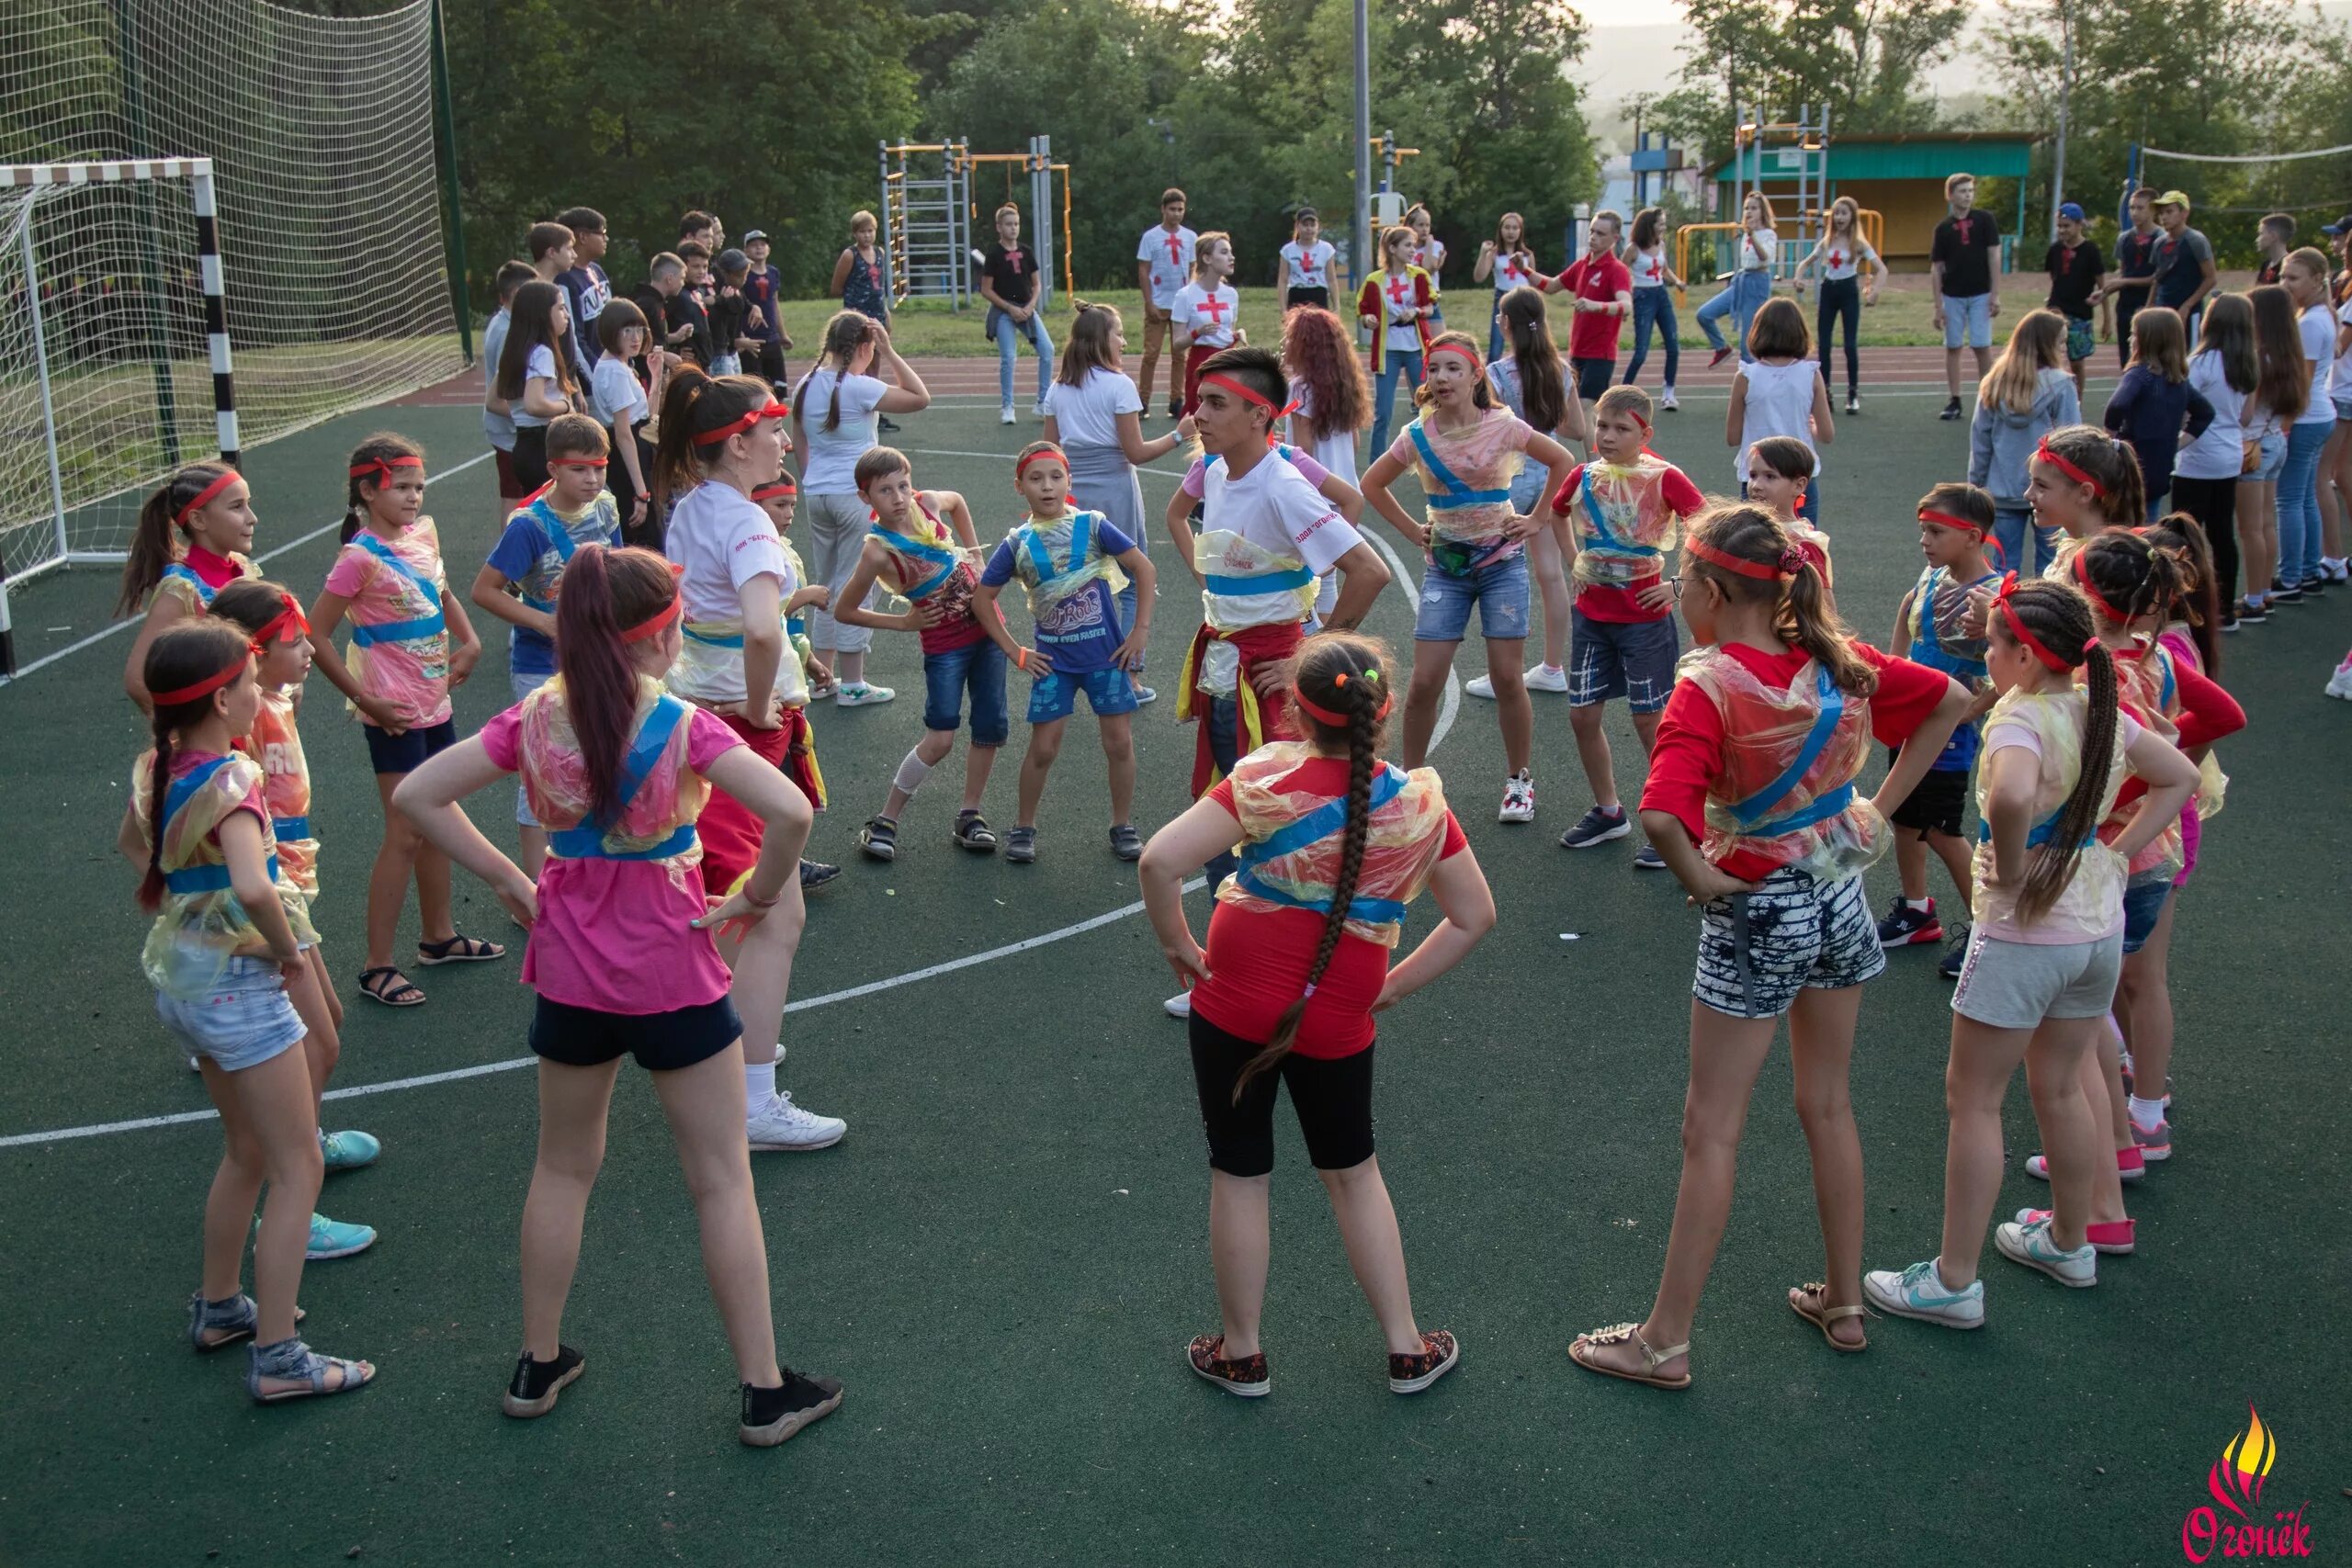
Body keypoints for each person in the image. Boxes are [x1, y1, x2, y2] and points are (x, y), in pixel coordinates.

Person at [391, 545, 845, 1447]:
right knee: (720, 1180)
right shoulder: (681, 725)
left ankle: (537, 1360)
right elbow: (793, 812)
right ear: (663, 634)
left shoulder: (536, 718)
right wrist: (754, 897)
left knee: (562, 1167)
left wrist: (512, 883)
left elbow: (417, 793)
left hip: (571, 976)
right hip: (675, 971)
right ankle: (762, 1389)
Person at [1567, 504, 1969, 1388]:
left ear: (1709, 590)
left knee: (1711, 1128)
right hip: (1839, 895)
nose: (1675, 594)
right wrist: (1876, 808)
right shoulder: (1830, 658)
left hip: (1760, 905)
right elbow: (1953, 699)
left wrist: (1702, 881)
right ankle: (1845, 1299)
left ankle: (1664, 1339)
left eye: (1682, 582)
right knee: (1827, 1105)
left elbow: (1664, 812)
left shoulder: (1708, 682)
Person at [1139, 633, 1490, 1399]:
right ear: (1385, 708)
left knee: (1239, 1171)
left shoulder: (1263, 776)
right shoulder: (1420, 803)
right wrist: (1392, 986)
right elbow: (1473, 916)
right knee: (1353, 1172)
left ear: (1294, 710)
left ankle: (1242, 1353)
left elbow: (1159, 860)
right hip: (1337, 1014)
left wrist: (1178, 943)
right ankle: (1406, 1348)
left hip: (1232, 1001)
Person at [1862, 575, 2198, 1328]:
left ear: (2023, 653)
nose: (1986, 653)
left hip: (2023, 934)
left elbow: (2011, 799)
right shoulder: (2099, 710)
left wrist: (2011, 870)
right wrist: (2116, 853)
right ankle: (2071, 1241)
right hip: (2094, 928)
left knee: (1974, 1100)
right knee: (2064, 1085)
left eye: (1992, 643)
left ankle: (1953, 1280)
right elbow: (2176, 775)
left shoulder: (2020, 721)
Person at [125, 622, 375, 1404]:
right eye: (249, 685)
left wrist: (191, 914)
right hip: (241, 990)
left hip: (188, 988)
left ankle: (221, 1304)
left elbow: (135, 847)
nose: (258, 695)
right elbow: (259, 885)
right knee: (297, 1163)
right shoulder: (230, 778)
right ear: (223, 696)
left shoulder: (157, 766)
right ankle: (279, 1354)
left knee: (246, 1151)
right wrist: (284, 950)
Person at [652, 369, 846, 1147]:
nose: (783, 440)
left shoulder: (691, 507)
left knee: (748, 899)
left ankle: (736, 1038)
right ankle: (748, 1095)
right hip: (739, 723)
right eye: (772, 430)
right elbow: (763, 629)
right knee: (766, 912)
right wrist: (765, 705)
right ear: (738, 444)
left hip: (694, 710)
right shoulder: (750, 525)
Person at [1169, 346, 1391, 1021]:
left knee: (1267, 817)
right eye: (1199, 400)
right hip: (1224, 667)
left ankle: (1271, 972)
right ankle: (1234, 967)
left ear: (1260, 414)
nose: (1197, 415)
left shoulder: (1282, 482)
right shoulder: (1212, 470)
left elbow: (1369, 571)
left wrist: (1310, 654)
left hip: (1267, 677)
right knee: (1228, 803)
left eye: (1214, 404)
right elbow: (1179, 520)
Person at [2064, 529, 2243, 1179]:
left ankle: (2106, 1148)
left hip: (2100, 850)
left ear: (2086, 597)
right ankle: (2146, 1114)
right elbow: (2222, 715)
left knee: (2080, 1007)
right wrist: (2158, 772)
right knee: (2141, 985)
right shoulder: (2160, 656)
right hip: (2151, 849)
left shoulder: (2086, 672)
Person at [210, 579, 379, 1238]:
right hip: (269, 897)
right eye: (293, 641)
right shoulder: (239, 723)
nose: (309, 647)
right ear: (254, 654)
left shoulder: (269, 698)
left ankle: (302, 1139)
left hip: (289, 889)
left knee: (327, 1024)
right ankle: (293, 1187)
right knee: (319, 1039)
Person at [306, 434, 498, 1009]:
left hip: (436, 703)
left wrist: (469, 642)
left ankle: (438, 935)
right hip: (393, 714)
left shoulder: (422, 536)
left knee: (434, 818)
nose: (415, 497)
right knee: (406, 832)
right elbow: (314, 634)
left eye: (420, 487)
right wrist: (366, 701)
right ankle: (376, 965)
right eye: (403, 487)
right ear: (368, 491)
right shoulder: (358, 558)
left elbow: (439, 592)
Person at [1360, 333, 1577, 821]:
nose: (1441, 378)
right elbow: (1371, 484)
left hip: (1502, 565)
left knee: (1506, 676)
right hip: (1446, 570)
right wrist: (1413, 530)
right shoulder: (1417, 435)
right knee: (1424, 683)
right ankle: (1413, 782)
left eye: (1453, 369)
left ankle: (1519, 780)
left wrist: (1539, 518)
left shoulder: (1502, 425)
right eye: (1433, 369)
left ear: (1476, 376)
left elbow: (1564, 461)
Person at [1549, 385, 1708, 869]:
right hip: (1593, 617)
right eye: (1602, 426)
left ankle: (1676, 822)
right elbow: (1557, 514)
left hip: (1644, 618)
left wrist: (1678, 585)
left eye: (1622, 428)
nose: (1609, 436)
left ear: (1645, 433)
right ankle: (1608, 810)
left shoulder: (1664, 478)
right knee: (1582, 716)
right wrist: (1574, 561)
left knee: (1650, 721)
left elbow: (1708, 528)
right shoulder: (1583, 475)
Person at [974, 443, 1156, 863]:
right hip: (1054, 665)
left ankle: (1122, 824)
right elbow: (982, 600)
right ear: (1019, 486)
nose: (1047, 487)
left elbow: (1144, 569)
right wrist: (1016, 651)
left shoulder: (1093, 526)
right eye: (1035, 479)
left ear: (1069, 481)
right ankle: (1024, 827)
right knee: (1043, 749)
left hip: (1107, 661)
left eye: (1056, 477)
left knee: (1120, 744)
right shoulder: (1017, 543)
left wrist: (1139, 633)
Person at [470, 413, 625, 879]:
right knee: (541, 766)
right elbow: (485, 590)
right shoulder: (528, 526)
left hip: (599, 652)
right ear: (553, 469)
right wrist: (545, 621)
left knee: (600, 753)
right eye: (580, 469)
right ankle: (537, 885)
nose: (593, 478)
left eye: (599, 467)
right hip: (541, 661)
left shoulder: (606, 506)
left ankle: (593, 860)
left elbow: (616, 566)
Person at [835, 447, 1005, 860]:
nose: (898, 497)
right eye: (885, 490)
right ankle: (886, 819)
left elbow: (959, 502)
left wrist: (977, 554)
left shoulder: (926, 504)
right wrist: (905, 624)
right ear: (866, 498)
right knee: (941, 737)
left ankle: (970, 814)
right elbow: (845, 609)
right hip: (945, 645)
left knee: (990, 727)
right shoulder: (878, 551)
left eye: (903, 486)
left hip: (988, 631)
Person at [1877, 483, 2003, 978]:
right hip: (1915, 716)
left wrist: (1974, 707)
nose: (1925, 541)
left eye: (1936, 531)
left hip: (1949, 731)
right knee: (1906, 819)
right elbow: (1909, 607)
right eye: (1923, 531)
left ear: (1973, 537)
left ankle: (1988, 930)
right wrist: (1894, 666)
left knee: (1942, 830)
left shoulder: (1993, 597)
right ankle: (1916, 911)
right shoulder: (1934, 576)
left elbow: (2007, 661)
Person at [1042, 299, 1188, 703]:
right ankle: (1128, 678)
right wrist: (1179, 434)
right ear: (1101, 340)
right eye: (1119, 333)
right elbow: (1136, 452)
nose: (1124, 341)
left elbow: (1050, 452)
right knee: (1128, 584)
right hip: (1116, 492)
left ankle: (1077, 672)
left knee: (1079, 585)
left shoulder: (1058, 388)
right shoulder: (1118, 386)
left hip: (1074, 496)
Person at [791, 310, 933, 704]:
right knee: (856, 584)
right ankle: (852, 683)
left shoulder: (805, 383)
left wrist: (811, 476)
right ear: (866, 346)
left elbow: (798, 437)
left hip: (818, 493)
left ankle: (821, 676)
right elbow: (920, 397)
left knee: (827, 583)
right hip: (854, 496)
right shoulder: (859, 386)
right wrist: (890, 349)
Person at [1466, 287, 1587, 701]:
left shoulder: (1496, 373)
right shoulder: (1560, 369)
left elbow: (1491, 428)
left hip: (1512, 478)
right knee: (1551, 574)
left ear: (1505, 324)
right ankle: (1553, 666)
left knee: (1498, 575)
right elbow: (1577, 429)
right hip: (1553, 475)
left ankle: (1502, 675)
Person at [119, 464, 263, 707]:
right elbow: (137, 680)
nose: (252, 518)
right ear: (198, 519)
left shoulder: (242, 568)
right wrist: (186, 730)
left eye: (248, 504)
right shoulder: (182, 591)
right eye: (237, 507)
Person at [1968, 310, 2081, 574]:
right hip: (2051, 489)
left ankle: (1998, 614)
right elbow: (2072, 440)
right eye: (2061, 343)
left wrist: (1976, 483)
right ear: (2048, 346)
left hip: (2003, 488)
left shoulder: (1994, 383)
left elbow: (1980, 440)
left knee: (2004, 566)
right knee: (2053, 563)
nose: (2064, 349)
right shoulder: (2061, 386)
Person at [2172, 294, 2257, 626]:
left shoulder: (2203, 362)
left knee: (2184, 536)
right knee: (2222, 533)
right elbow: (2247, 417)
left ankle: (2190, 604)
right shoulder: (2247, 365)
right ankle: (2224, 608)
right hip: (2230, 455)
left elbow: (2184, 407)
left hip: (2197, 457)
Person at [2235, 284, 2310, 621]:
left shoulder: (2257, 357)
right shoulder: (2287, 355)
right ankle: (2262, 591)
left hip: (2252, 445)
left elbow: (2244, 411)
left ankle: (2253, 599)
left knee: (2251, 528)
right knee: (2266, 523)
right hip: (2275, 439)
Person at [1725, 297, 1833, 525]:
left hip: (1758, 477)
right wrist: (1811, 427)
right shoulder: (1811, 374)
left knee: (1758, 545)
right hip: (1798, 475)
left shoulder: (1746, 377)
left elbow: (1733, 437)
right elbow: (1826, 434)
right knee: (1803, 546)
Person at [2103, 310, 2213, 517]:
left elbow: (2117, 405)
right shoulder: (2178, 380)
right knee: (2150, 520)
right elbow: (2205, 413)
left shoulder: (2139, 375)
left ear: (2147, 340)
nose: (2129, 339)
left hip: (2131, 466)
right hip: (2160, 467)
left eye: (2134, 334)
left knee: (2123, 521)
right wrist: (2176, 444)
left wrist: (2108, 439)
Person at [2279, 246, 2338, 599]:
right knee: (2304, 498)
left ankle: (2293, 577)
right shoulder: (2320, 316)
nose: (2286, 284)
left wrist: (2285, 424)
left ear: (2317, 280)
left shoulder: (2310, 322)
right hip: (2319, 414)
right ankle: (2307, 571)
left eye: (2293, 278)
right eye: (2284, 277)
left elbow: (2302, 382)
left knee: (2290, 500)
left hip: (2306, 417)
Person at [587, 299, 665, 548]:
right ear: (612, 332)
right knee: (645, 539)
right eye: (627, 331)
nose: (636, 338)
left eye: (640, 330)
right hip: (630, 454)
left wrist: (656, 378)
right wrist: (641, 492)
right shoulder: (616, 372)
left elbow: (646, 416)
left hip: (636, 445)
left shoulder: (619, 365)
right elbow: (623, 434)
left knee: (647, 535)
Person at [1794, 195, 1882, 415]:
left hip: (1848, 290)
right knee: (1824, 344)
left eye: (1844, 213)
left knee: (1849, 345)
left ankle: (1852, 393)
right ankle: (1826, 392)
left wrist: (1874, 291)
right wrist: (1799, 278)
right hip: (1829, 290)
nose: (1840, 217)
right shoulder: (1827, 242)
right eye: (1837, 213)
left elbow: (1882, 268)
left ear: (1852, 216)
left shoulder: (1859, 244)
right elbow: (1805, 263)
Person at [1357, 224, 1436, 457]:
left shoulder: (1420, 276)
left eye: (1414, 245)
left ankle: (1435, 460)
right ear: (1392, 248)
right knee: (1383, 413)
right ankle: (1376, 464)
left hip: (1415, 347)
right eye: (1407, 245)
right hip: (1387, 350)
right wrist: (1368, 318)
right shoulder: (1374, 280)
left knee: (1428, 406)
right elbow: (1363, 312)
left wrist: (1416, 312)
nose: (1413, 250)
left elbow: (1430, 307)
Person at [1540, 208, 1632, 405]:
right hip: (1578, 350)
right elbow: (1551, 286)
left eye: (1600, 234)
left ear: (1614, 238)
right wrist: (1524, 270)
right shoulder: (1582, 265)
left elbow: (1626, 306)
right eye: (1592, 231)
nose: (1593, 237)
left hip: (1600, 353)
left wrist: (1595, 306)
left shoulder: (1617, 270)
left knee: (1586, 407)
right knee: (1575, 412)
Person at [496, 280, 578, 493]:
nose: (566, 315)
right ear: (542, 314)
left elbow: (493, 400)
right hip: (542, 444)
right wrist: (565, 406)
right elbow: (534, 404)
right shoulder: (542, 352)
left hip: (524, 445)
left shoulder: (517, 349)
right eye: (560, 308)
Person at [1932, 173, 2002, 420]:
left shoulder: (1985, 220)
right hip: (1953, 295)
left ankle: (1989, 396)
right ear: (1950, 195)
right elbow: (1937, 267)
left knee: (1981, 345)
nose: (1967, 195)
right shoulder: (1943, 229)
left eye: (1970, 191)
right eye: (1962, 191)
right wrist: (1938, 305)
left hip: (1981, 292)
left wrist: (1995, 294)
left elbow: (1994, 256)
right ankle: (1955, 399)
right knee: (1953, 346)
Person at [981, 203, 1055, 423]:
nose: (1013, 228)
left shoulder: (1026, 252)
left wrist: (1031, 306)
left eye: (1016, 224)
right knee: (1009, 358)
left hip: (1026, 309)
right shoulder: (994, 255)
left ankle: (1043, 402)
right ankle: (1008, 406)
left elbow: (1037, 284)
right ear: (999, 227)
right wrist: (1009, 308)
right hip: (1005, 312)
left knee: (1047, 350)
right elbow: (986, 289)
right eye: (1008, 224)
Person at [481, 259, 542, 523]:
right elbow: (496, 399)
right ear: (517, 295)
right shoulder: (508, 332)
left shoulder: (505, 323)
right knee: (514, 496)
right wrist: (530, 414)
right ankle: (510, 557)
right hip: (509, 431)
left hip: (511, 428)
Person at [1136, 189, 1197, 420]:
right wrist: (1148, 302)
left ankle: (1176, 400)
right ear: (1163, 209)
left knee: (1179, 354)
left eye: (1180, 209)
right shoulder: (1150, 237)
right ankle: (1143, 400)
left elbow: (1193, 269)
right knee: (1151, 353)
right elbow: (1143, 270)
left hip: (1181, 302)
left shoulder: (1190, 237)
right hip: (1159, 302)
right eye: (1172, 209)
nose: (1176, 214)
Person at [1699, 192, 1777, 369]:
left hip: (1757, 283)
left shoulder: (1768, 234)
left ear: (1762, 211)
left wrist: (1752, 235)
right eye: (1746, 208)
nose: (1749, 212)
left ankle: (1752, 385)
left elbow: (1765, 257)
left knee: (1747, 345)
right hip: (1742, 281)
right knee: (1704, 314)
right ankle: (1722, 347)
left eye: (1754, 208)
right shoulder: (1746, 234)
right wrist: (1748, 233)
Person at [1173, 231, 1242, 416]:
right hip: (1200, 362)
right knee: (1201, 416)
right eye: (1224, 252)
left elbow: (1227, 332)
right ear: (1207, 258)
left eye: (1231, 252)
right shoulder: (1185, 295)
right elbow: (1177, 343)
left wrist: (1237, 336)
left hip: (1227, 361)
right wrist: (1197, 332)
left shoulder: (1231, 294)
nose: (1231, 257)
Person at [1620, 207, 1682, 409]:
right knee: (1641, 353)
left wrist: (1678, 282)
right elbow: (1621, 272)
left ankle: (1669, 394)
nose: (1664, 227)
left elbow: (1664, 270)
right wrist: (1624, 301)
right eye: (1660, 223)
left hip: (1661, 295)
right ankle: (1621, 393)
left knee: (1673, 346)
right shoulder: (1633, 249)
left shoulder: (1661, 245)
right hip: (1642, 297)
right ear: (1649, 225)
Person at [2043, 202, 2107, 400]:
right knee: (2049, 359)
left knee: (2077, 362)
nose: (2062, 230)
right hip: (2056, 311)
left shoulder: (2091, 251)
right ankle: (2050, 398)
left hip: (2080, 312)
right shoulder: (2054, 250)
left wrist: (2107, 319)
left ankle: (2076, 401)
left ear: (2079, 225)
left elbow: (2103, 287)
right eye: (2060, 226)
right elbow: (2054, 278)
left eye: (2067, 226)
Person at [2095, 188, 2161, 373]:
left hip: (2150, 304)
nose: (2134, 213)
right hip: (2126, 304)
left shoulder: (2160, 239)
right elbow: (2124, 273)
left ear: (2153, 210)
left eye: (2140, 208)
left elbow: (2157, 278)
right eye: (2132, 208)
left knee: (2150, 359)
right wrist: (2104, 291)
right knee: (2127, 358)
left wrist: (2124, 282)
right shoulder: (2124, 238)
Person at [1474, 211, 1544, 364]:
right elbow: (1479, 277)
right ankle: (1488, 384)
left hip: (1524, 299)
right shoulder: (1494, 254)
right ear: (1500, 230)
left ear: (1520, 231)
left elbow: (1534, 282)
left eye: (1515, 228)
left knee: (1527, 343)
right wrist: (1483, 253)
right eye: (1507, 228)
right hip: (1502, 299)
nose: (1511, 232)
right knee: (1495, 347)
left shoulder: (1527, 255)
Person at [2149, 191, 2219, 333]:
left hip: (2189, 311)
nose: (2164, 217)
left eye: (2169, 212)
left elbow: (2211, 278)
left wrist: (2187, 305)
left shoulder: (2196, 240)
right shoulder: (2159, 243)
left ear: (2184, 213)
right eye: (2161, 213)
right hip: (2162, 308)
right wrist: (2149, 304)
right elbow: (2158, 277)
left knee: (2187, 352)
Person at [552, 207, 612, 368]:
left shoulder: (597, 270)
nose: (606, 238)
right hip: (592, 380)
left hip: (611, 369)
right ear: (583, 237)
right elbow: (575, 340)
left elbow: (614, 323)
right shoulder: (565, 280)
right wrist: (597, 376)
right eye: (602, 232)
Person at [525, 221, 582, 370]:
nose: (574, 255)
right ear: (551, 253)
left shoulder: (556, 290)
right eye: (569, 249)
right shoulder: (531, 297)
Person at [739, 229, 790, 393]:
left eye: (762, 244)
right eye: (754, 245)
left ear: (768, 249)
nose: (759, 248)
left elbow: (774, 303)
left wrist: (783, 334)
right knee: (755, 390)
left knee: (779, 388)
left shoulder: (773, 272)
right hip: (752, 339)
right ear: (746, 250)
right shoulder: (743, 276)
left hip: (772, 338)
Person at [831, 210, 893, 328]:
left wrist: (886, 313)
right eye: (862, 231)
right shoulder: (850, 255)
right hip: (856, 317)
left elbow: (879, 286)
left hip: (878, 316)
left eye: (870, 231)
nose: (867, 235)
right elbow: (836, 289)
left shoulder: (880, 253)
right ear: (854, 233)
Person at [630, 252, 689, 364]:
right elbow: (634, 339)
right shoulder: (646, 304)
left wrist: (675, 337)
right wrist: (663, 356)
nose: (683, 284)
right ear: (670, 279)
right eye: (681, 278)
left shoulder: (657, 303)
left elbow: (654, 338)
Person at [1277, 208, 1340, 311]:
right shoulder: (1287, 250)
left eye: (1312, 225)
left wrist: (1337, 308)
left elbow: (1331, 280)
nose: (1309, 228)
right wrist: (1283, 309)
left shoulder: (1326, 249)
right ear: (1297, 226)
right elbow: (1283, 281)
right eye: (1305, 225)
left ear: (1318, 226)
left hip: (1319, 296)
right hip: (1296, 296)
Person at [707, 249, 758, 378]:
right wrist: (736, 342)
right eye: (739, 276)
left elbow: (745, 306)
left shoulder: (738, 291)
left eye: (746, 275)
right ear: (725, 274)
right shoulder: (722, 293)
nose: (744, 280)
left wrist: (755, 308)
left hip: (732, 353)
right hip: (720, 353)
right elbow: (715, 325)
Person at [670, 243, 718, 368]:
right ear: (683, 267)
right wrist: (673, 352)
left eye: (705, 267)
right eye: (696, 267)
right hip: (686, 366)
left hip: (704, 363)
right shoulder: (676, 295)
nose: (702, 271)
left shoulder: (698, 292)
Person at [1406, 203, 1448, 330]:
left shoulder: (1436, 246)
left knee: (1440, 342)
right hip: (1409, 302)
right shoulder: (1405, 249)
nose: (1425, 229)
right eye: (1420, 225)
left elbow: (1428, 268)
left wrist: (1429, 247)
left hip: (1430, 301)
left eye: (1427, 225)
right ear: (1410, 227)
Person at [2254, 211, 2295, 288]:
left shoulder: (2289, 266)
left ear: (2273, 236)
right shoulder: (2266, 265)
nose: (2257, 239)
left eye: (2261, 234)